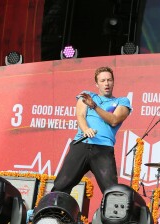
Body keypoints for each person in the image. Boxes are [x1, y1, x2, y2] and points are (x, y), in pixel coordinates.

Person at [51, 66, 131, 195]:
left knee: (111, 192)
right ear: (97, 84)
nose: (106, 83)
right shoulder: (87, 95)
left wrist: (94, 106)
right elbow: (80, 116)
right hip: (81, 145)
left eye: (109, 80)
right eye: (103, 80)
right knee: (61, 185)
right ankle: (51, 213)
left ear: (113, 82)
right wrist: (86, 129)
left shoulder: (121, 101)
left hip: (103, 149)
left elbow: (114, 120)